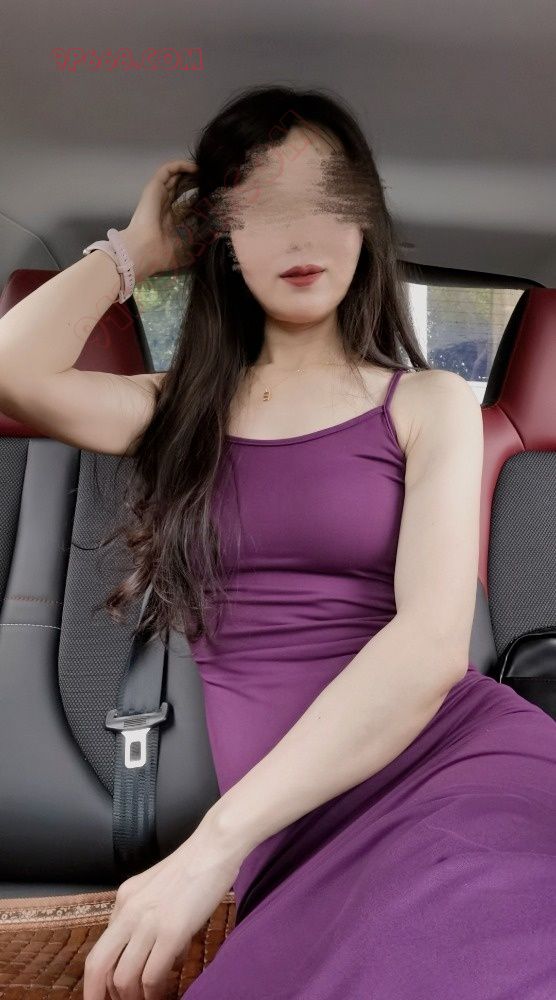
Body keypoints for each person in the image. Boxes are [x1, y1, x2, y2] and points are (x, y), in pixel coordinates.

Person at [1, 84, 555, 1000]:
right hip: (291, 836)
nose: (301, 234)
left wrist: (212, 845)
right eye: (262, 208)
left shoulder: (427, 403)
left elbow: (428, 650)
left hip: (454, 772)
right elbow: (13, 371)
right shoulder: (176, 409)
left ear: (366, 223)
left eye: (329, 201)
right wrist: (136, 249)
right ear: (223, 236)